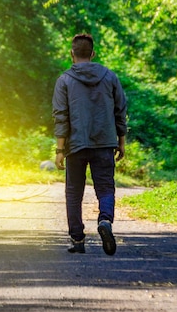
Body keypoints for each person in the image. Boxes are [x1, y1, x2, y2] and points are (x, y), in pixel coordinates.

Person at [52, 33, 127, 255]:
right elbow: (120, 110)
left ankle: (77, 240)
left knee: (74, 192)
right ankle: (105, 220)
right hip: (105, 143)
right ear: (93, 54)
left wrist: (59, 149)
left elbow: (61, 116)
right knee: (105, 188)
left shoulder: (64, 80)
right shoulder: (110, 77)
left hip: (75, 146)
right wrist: (121, 142)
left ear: (71, 54)